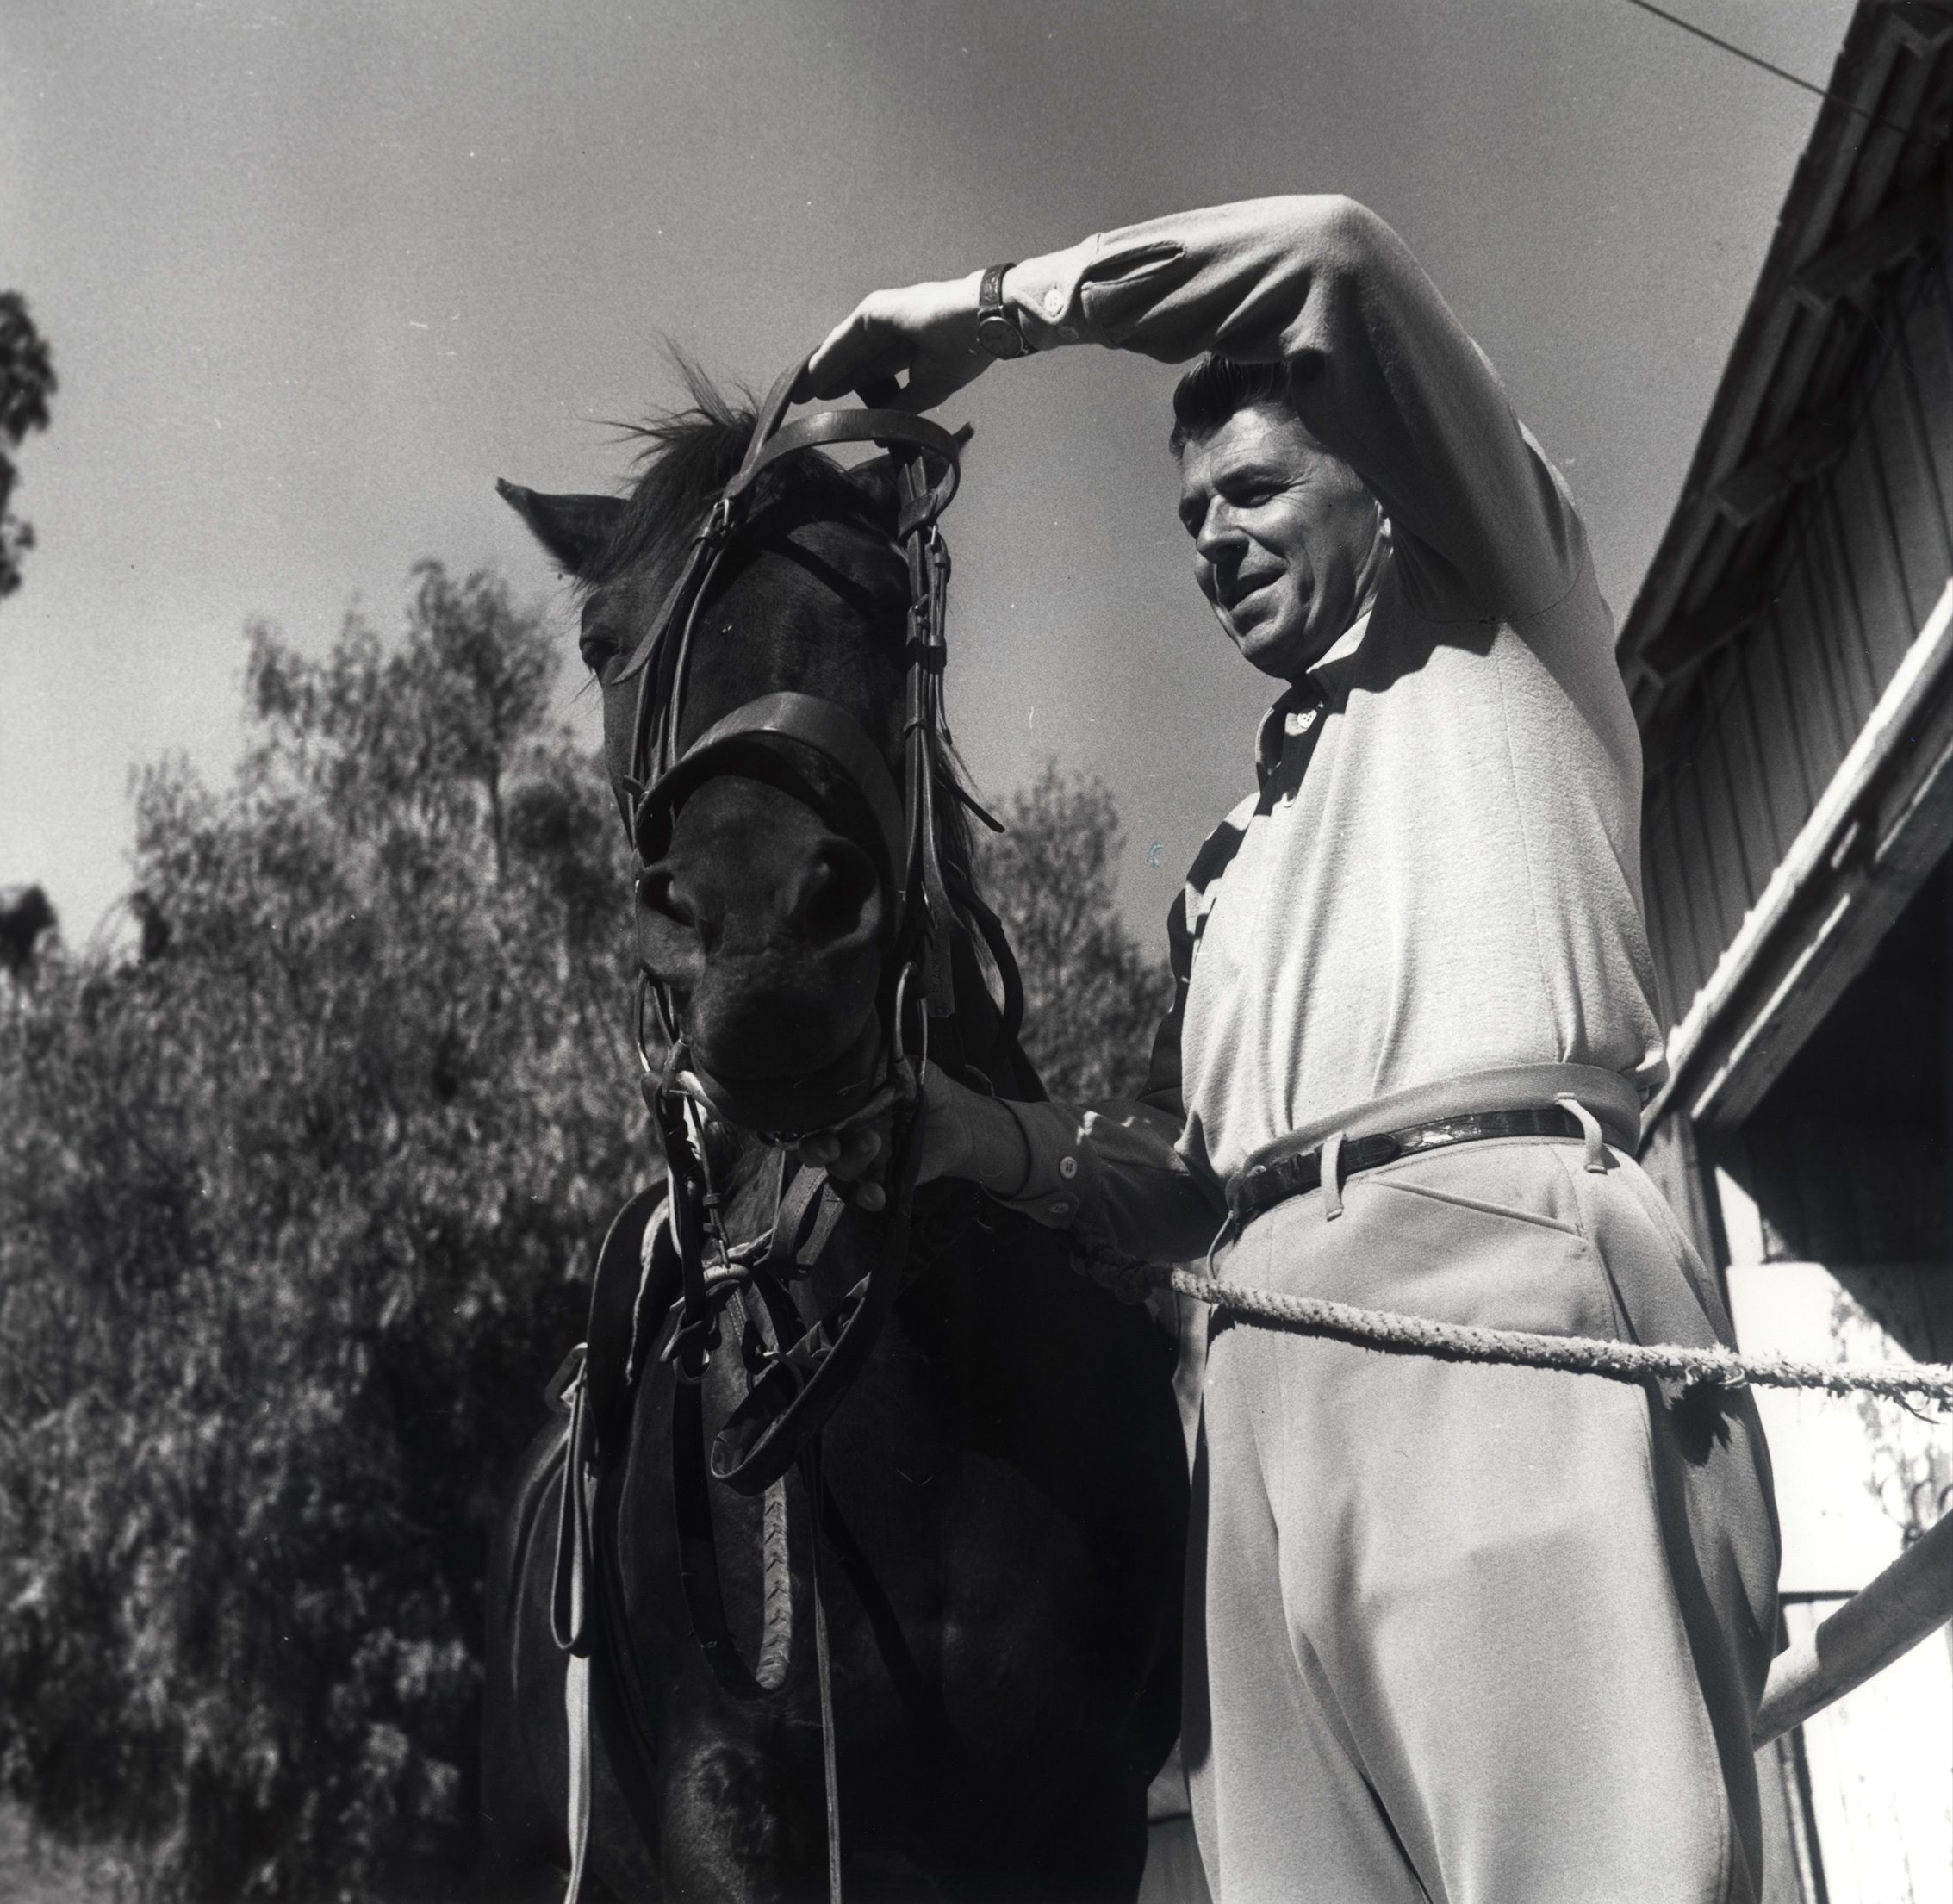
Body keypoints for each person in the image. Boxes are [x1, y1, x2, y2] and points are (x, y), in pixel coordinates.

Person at [793, 196, 1780, 1904]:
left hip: (1498, 1317)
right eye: (1192, 514)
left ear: (1390, 489)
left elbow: (1333, 253)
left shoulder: (1507, 609)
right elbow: (1189, 1181)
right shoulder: (1229, 864)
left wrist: (991, 314)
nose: (1214, 538)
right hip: (1253, 1405)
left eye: (1255, 489)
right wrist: (977, 1137)